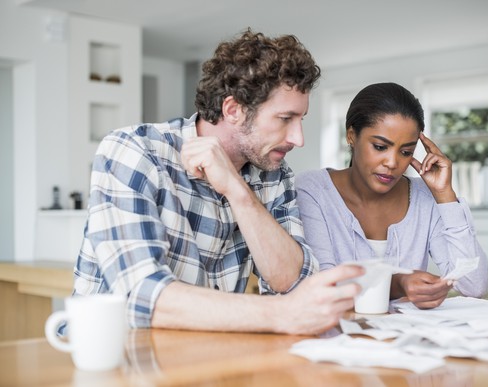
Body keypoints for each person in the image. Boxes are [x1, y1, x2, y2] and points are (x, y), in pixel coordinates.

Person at [72, 29, 363, 335]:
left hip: (205, 356)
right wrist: (279, 314)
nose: (298, 138)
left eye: (300, 120)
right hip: (118, 356)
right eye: (284, 119)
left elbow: (292, 282)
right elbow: (141, 296)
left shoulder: (274, 174)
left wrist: (237, 190)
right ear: (234, 110)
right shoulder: (135, 151)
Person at [296, 82, 488, 309]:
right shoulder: (313, 190)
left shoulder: (424, 197)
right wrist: (397, 283)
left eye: (406, 152)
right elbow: (321, 286)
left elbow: (474, 285)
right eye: (380, 147)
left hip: (407, 340)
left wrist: (445, 195)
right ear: (351, 135)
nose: (392, 163)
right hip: (335, 340)